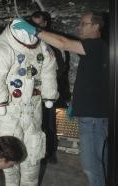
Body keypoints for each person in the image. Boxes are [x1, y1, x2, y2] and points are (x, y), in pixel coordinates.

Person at [13, 11, 109, 186]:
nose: (79, 27)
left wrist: (34, 30)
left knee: (92, 167)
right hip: (95, 113)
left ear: (96, 26)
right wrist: (76, 103)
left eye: (84, 24)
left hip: (93, 119)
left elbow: (63, 43)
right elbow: (96, 82)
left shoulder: (95, 45)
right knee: (102, 162)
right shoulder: (100, 49)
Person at [0, 18, 59, 186]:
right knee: (6, 158)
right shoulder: (1, 47)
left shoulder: (41, 46)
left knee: (33, 154)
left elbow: (50, 68)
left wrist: (50, 94)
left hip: (32, 110)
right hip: (6, 113)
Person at [31, 11, 71, 164]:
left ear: (45, 24)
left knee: (49, 123)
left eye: (38, 24)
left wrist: (46, 81)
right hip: (32, 89)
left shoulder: (54, 41)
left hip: (49, 89)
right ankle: (36, 152)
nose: (34, 27)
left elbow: (61, 68)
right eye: (32, 24)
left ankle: (51, 153)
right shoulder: (29, 40)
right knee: (34, 122)